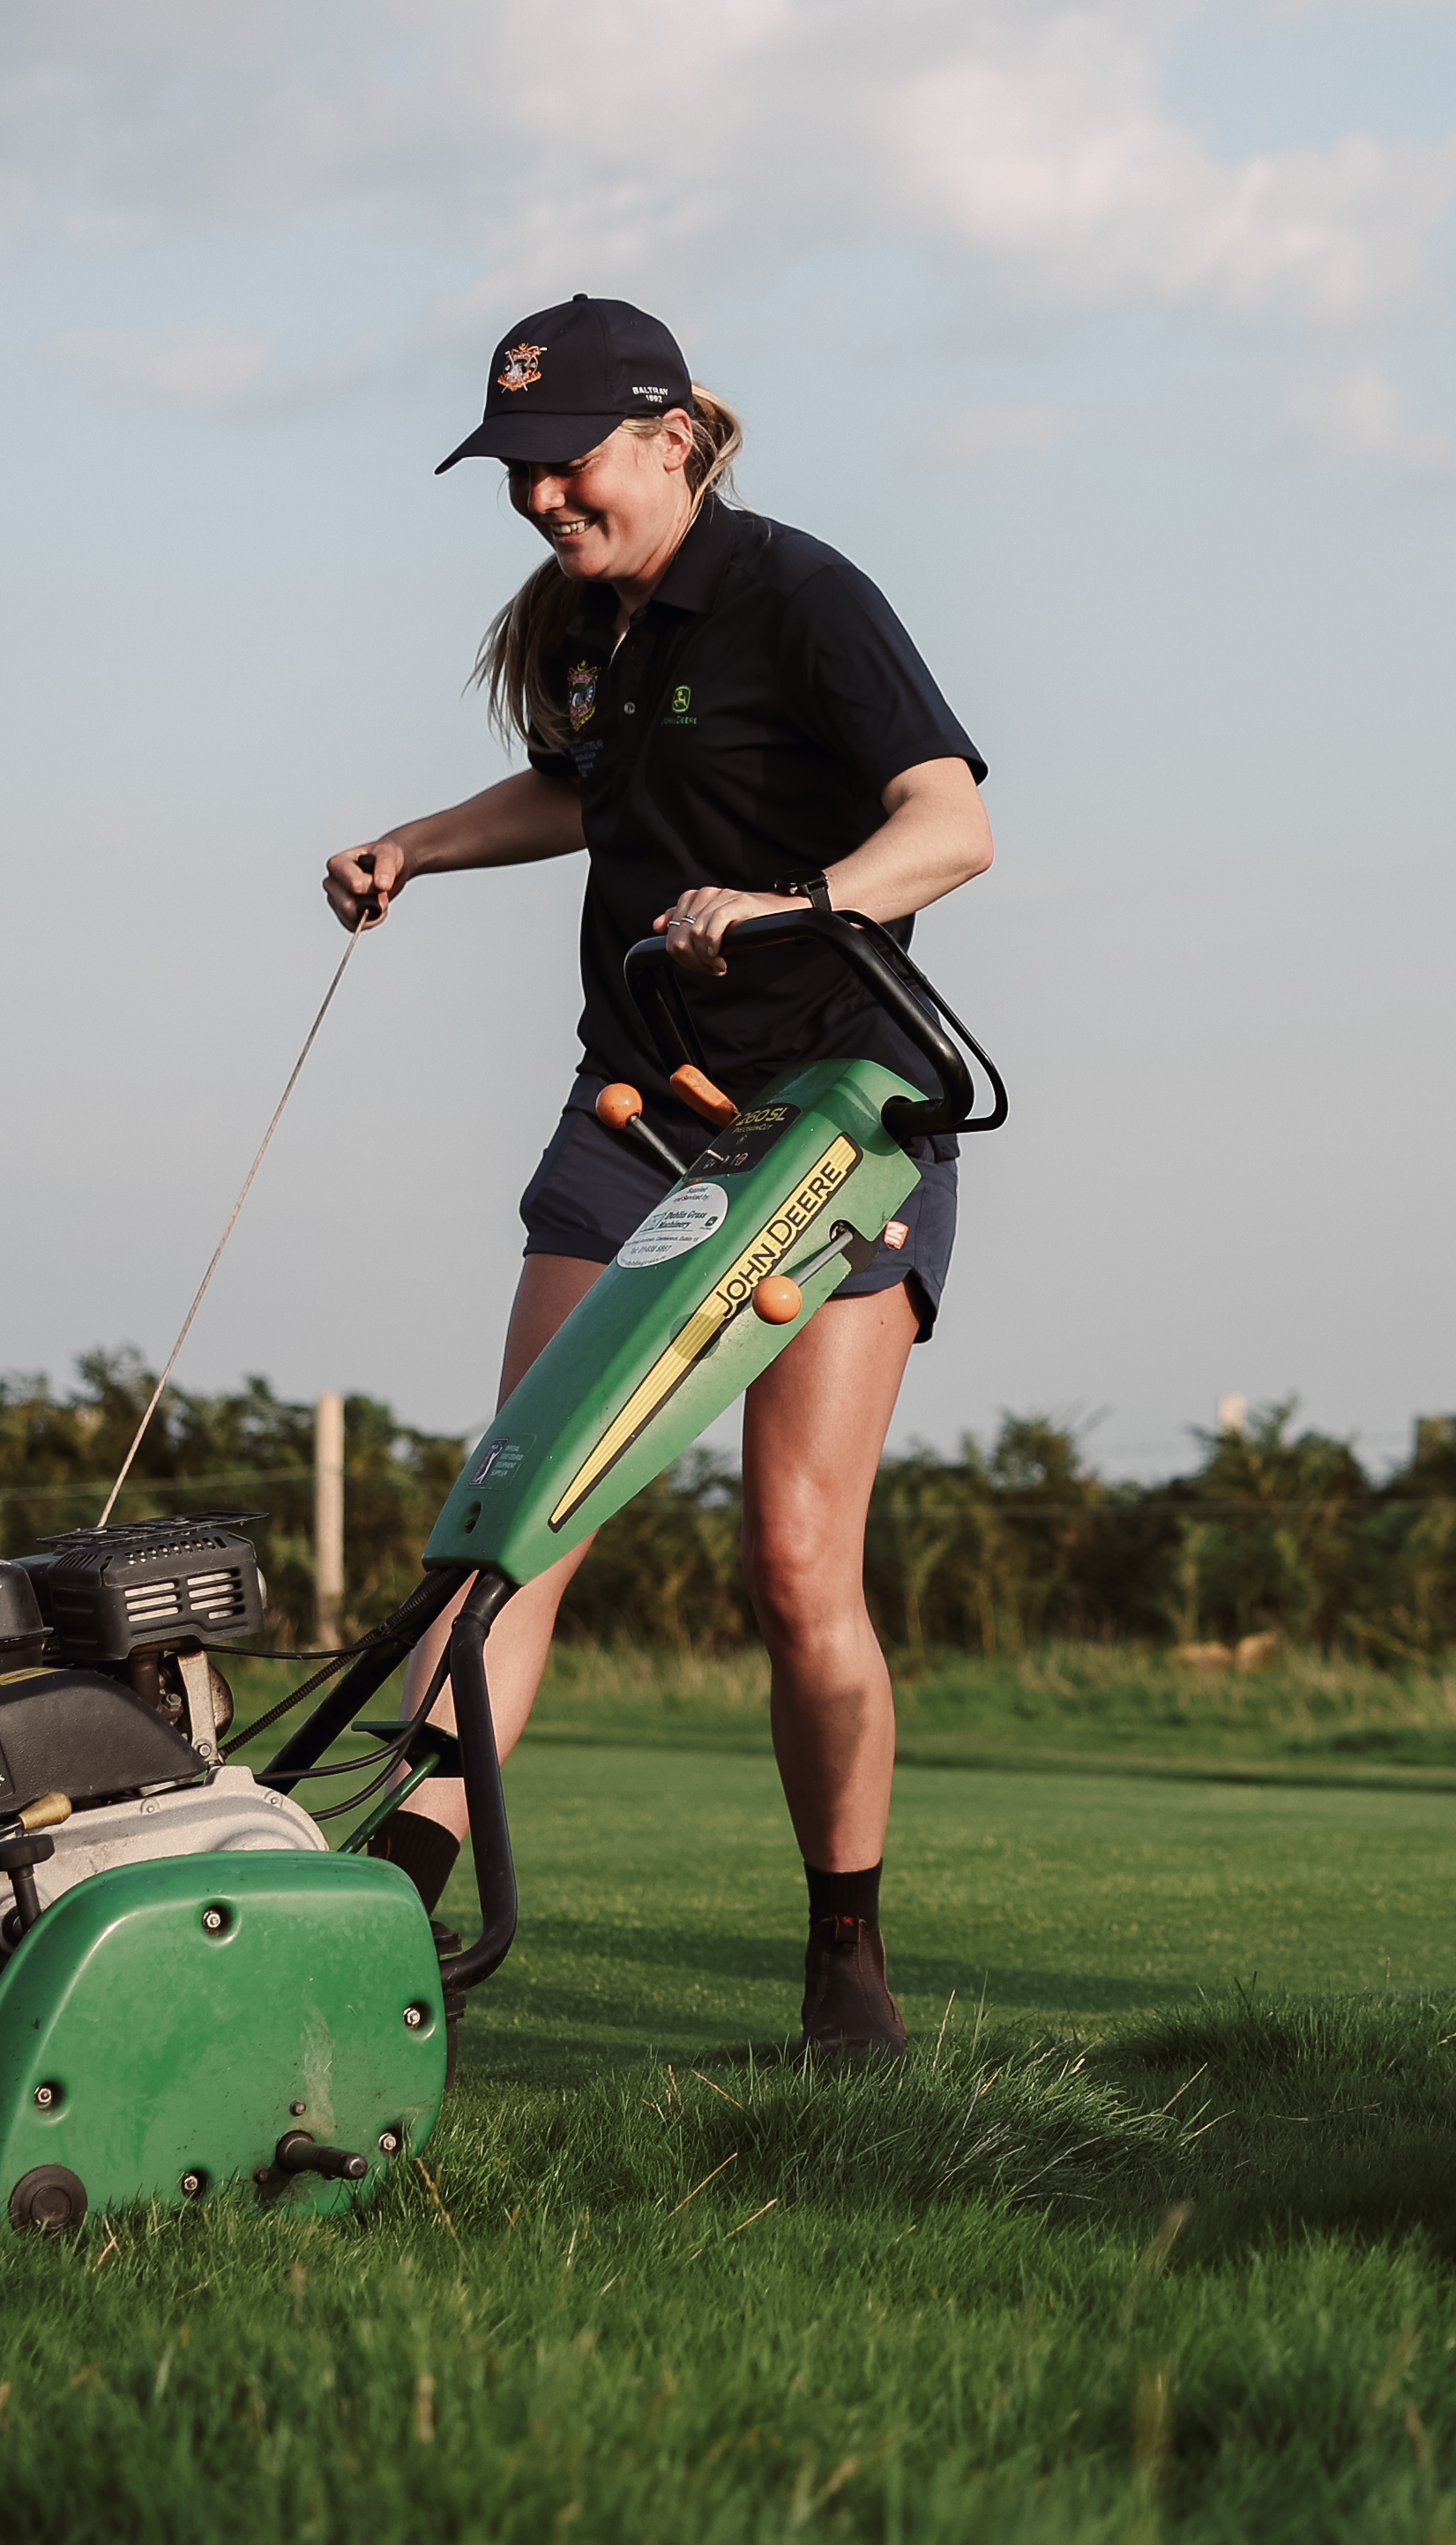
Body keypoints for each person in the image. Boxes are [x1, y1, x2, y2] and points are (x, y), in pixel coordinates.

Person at [321, 294, 993, 2060]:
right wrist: (420, 843)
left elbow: (954, 820)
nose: (543, 497)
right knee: (511, 1519)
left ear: (672, 439)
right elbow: (581, 797)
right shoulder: (585, 628)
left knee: (793, 1563)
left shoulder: (802, 594)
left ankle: (845, 1955)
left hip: (839, 1122)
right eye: (519, 474)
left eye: (568, 464)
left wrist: (801, 899)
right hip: (635, 1119)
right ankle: (386, 1911)